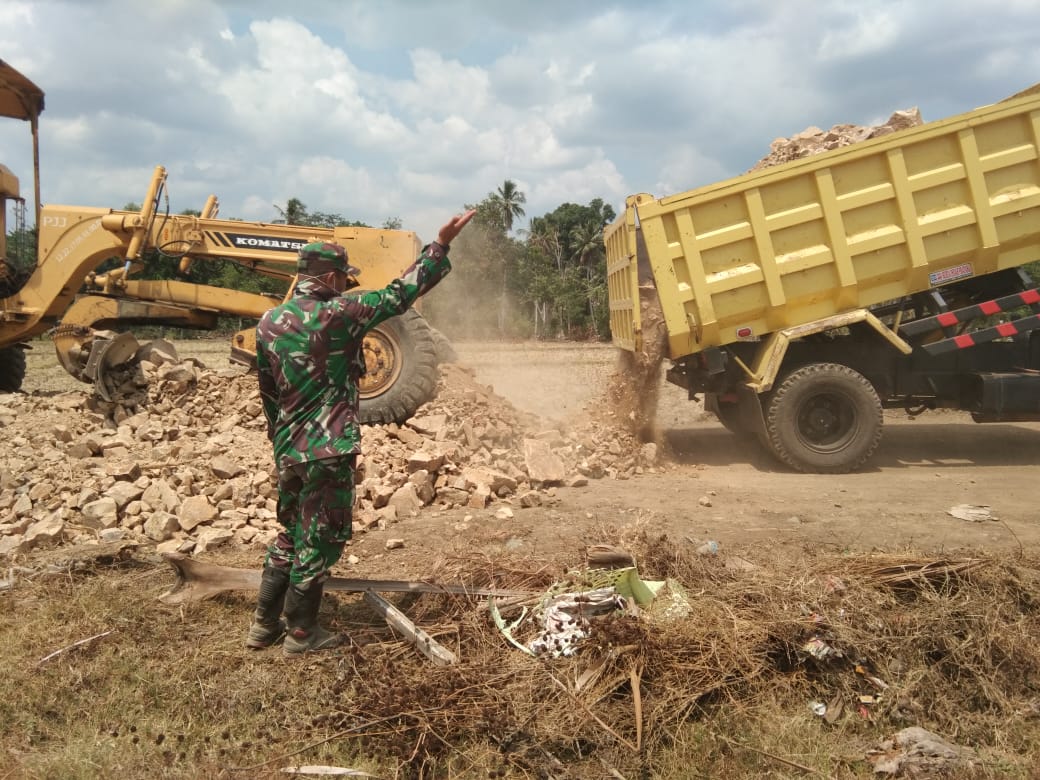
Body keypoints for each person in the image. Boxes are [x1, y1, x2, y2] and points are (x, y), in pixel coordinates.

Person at [246, 210, 475, 654]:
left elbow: (268, 393)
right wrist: (440, 245)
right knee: (319, 539)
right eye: (343, 277)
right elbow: (400, 293)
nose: (346, 284)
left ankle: (263, 625)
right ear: (330, 276)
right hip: (328, 451)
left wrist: (282, 442)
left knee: (290, 533)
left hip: (290, 449)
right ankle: (301, 633)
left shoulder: (268, 323)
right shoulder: (341, 314)